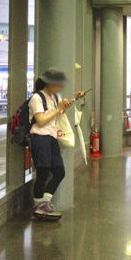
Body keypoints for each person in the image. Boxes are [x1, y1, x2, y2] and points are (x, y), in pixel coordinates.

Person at [29, 68, 84, 220]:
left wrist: (64, 107)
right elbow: (40, 121)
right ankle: (38, 207)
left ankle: (44, 203)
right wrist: (58, 108)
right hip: (40, 137)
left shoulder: (55, 97)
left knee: (59, 172)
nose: (60, 86)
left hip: (52, 137)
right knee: (43, 173)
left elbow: (60, 115)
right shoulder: (37, 98)